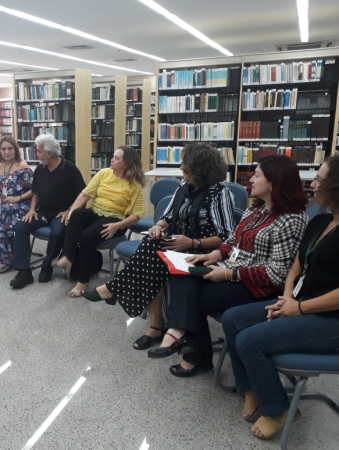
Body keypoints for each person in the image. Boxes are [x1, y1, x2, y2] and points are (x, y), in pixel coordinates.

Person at [147, 155, 309, 379]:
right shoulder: (256, 209)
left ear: (274, 181)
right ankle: (180, 334)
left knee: (195, 297)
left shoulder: (291, 219)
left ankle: (193, 352)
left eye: (257, 175)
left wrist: (228, 274)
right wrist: (215, 254)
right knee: (183, 271)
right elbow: (232, 240)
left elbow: (278, 274)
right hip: (229, 268)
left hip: (256, 286)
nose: (251, 179)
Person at [221, 156, 339, 441]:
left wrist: (299, 308)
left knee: (248, 341)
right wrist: (287, 297)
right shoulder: (321, 220)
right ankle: (249, 387)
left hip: (329, 318)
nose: (313, 183)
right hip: (299, 302)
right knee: (232, 319)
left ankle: (278, 409)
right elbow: (297, 264)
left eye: (321, 179)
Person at [82, 143, 236, 351]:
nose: (182, 169)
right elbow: (168, 215)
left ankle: (127, 302)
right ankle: (152, 323)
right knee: (151, 244)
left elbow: (226, 236)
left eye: (186, 166)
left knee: (152, 257)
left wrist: (191, 242)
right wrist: (157, 226)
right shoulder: (184, 186)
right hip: (178, 242)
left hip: (204, 250)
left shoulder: (221, 193)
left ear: (200, 170)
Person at [52, 145, 145, 298]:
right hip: (97, 211)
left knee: (86, 236)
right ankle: (66, 258)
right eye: (113, 156)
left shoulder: (134, 184)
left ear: (126, 163)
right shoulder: (103, 173)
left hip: (116, 220)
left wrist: (119, 225)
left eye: (116, 158)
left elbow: (137, 214)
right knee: (77, 215)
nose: (112, 160)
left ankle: (83, 280)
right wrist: (72, 211)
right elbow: (85, 194)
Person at [9, 134, 86, 289]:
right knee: (21, 227)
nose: (37, 154)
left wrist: (69, 210)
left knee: (57, 232)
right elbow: (36, 192)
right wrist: (31, 210)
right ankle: (24, 272)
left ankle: (47, 266)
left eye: (39, 152)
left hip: (61, 213)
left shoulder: (70, 169)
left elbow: (83, 195)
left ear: (49, 154)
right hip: (43, 212)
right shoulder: (40, 169)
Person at [0, 136, 33, 274]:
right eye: (3, 149)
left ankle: (5, 258)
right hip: (5, 206)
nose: (6, 152)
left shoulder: (22, 165)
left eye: (10, 148)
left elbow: (34, 190)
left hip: (21, 205)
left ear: (15, 150)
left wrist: (18, 198)